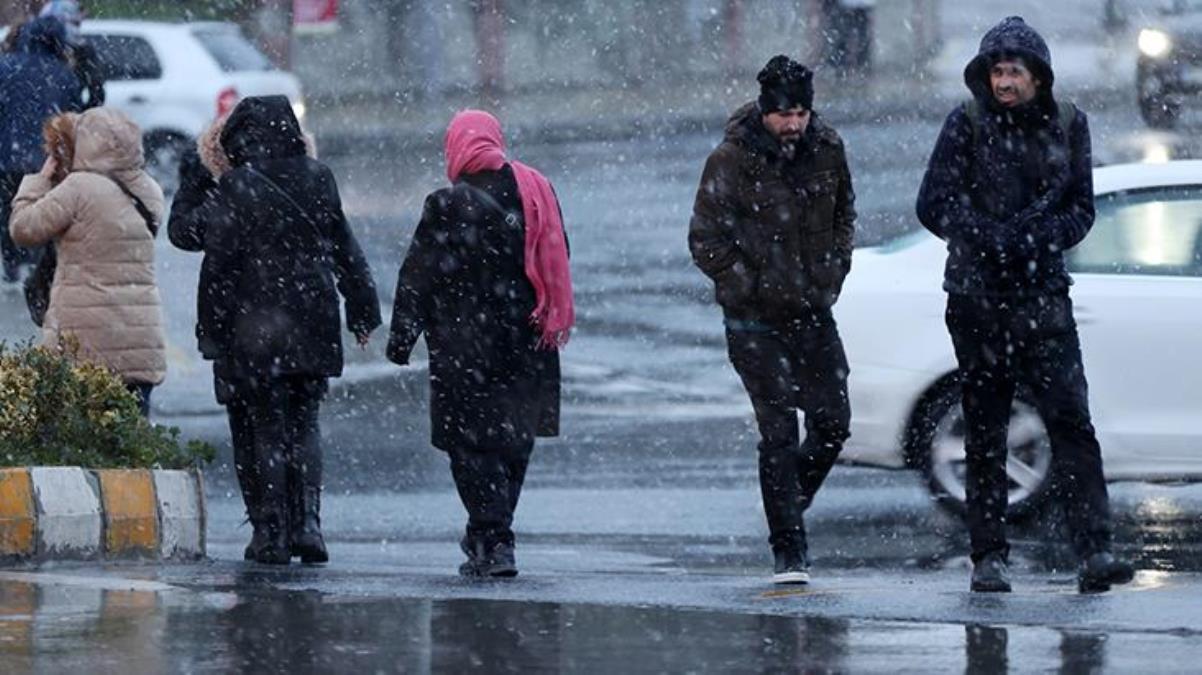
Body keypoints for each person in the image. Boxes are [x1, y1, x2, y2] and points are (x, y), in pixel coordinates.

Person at [916, 16, 1135, 594]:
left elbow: (1081, 209)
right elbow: (933, 203)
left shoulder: (1068, 124)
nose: (1004, 81)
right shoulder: (963, 124)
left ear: (1036, 75)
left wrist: (1040, 238)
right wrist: (985, 235)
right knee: (986, 430)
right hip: (978, 299)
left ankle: (1095, 551)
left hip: (1043, 300)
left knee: (1071, 423)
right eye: (996, 70)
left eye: (1013, 70)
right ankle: (989, 558)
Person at [169, 95, 380, 566]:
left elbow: (194, 242)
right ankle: (308, 526)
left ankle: (270, 533)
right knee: (303, 423)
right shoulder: (318, 177)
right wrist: (362, 311)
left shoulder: (236, 186)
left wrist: (201, 172)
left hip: (254, 327)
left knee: (261, 425)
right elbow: (346, 247)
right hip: (313, 320)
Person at [688, 55, 855, 585]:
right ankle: (789, 548)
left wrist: (834, 270)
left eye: (802, 112)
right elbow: (704, 239)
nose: (794, 124)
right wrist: (747, 286)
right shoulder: (731, 161)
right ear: (765, 111)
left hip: (812, 310)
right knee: (779, 430)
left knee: (833, 422)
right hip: (754, 322)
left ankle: (785, 503)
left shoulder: (827, 151)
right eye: (784, 114)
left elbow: (845, 214)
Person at [388, 109, 571, 578]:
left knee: (468, 446)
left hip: (463, 347)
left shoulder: (445, 205)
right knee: (514, 441)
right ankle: (493, 534)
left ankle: (492, 537)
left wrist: (403, 336)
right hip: (528, 340)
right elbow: (559, 254)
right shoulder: (535, 192)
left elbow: (418, 276)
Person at [9, 108, 165, 415]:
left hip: (85, 342)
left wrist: (39, 180)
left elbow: (23, 228)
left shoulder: (79, 188)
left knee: (82, 446)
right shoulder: (149, 190)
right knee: (132, 444)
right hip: (139, 338)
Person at [0, 15, 81, 283]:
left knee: (8, 209)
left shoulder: (6, 68)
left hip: (6, 156)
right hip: (46, 159)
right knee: (41, 211)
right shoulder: (63, 74)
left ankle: (12, 262)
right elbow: (72, 116)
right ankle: (35, 265)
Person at [39, 0, 106, 109]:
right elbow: (97, 94)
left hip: (38, 118)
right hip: (68, 117)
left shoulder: (33, 50)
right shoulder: (82, 50)